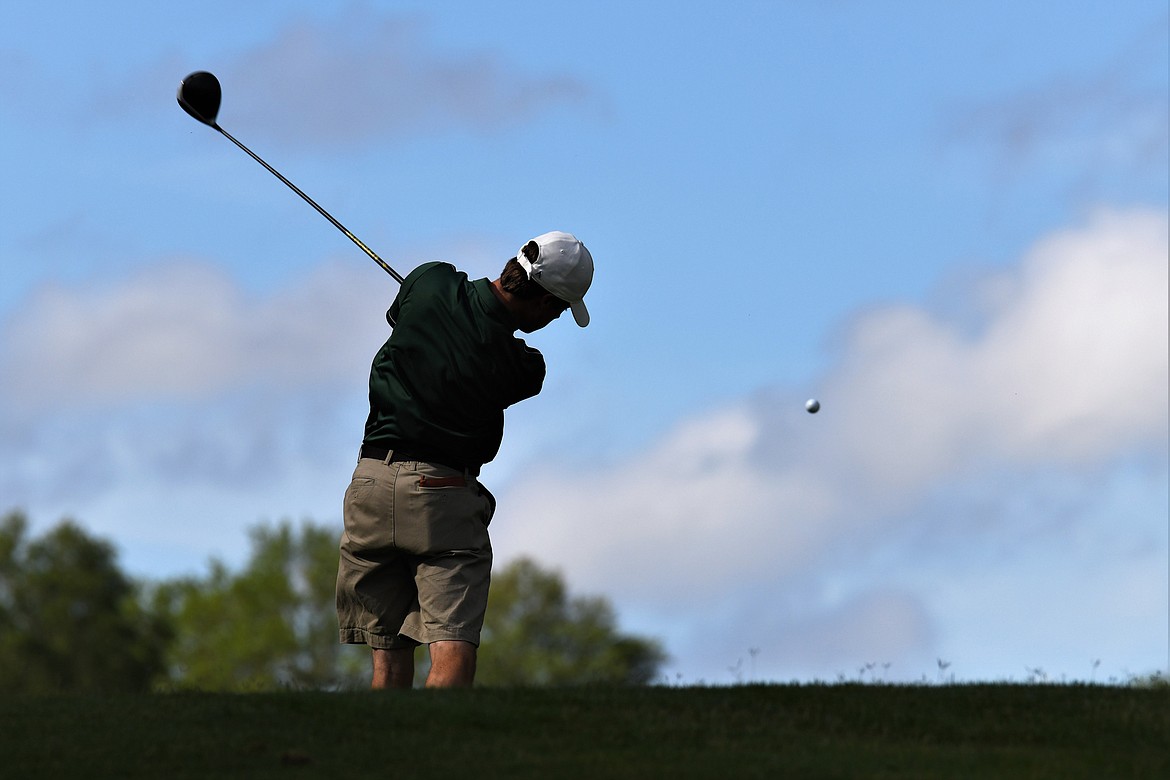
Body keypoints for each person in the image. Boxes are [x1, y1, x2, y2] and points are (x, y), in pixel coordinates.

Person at [336, 231, 594, 689]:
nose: (553, 319)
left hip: (370, 485)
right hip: (441, 497)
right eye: (557, 310)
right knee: (451, 645)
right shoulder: (523, 366)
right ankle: (438, 755)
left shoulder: (432, 280)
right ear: (543, 301)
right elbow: (515, 365)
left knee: (388, 659)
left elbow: (403, 315)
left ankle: (378, 756)